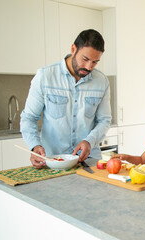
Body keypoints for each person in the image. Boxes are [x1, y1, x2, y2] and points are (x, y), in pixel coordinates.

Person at [20, 29, 111, 168]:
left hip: (89, 161)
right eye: (85, 59)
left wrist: (89, 141)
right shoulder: (45, 76)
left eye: (95, 62)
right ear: (73, 49)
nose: (88, 67)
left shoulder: (101, 81)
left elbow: (104, 120)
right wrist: (34, 146)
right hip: (53, 161)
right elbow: (29, 117)